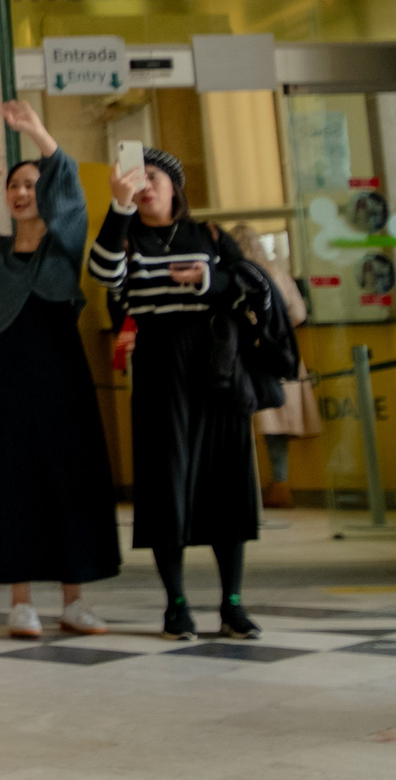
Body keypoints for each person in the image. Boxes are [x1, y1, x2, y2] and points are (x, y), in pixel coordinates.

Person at [0, 99, 120, 637]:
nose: (20, 193)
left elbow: (72, 195)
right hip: (12, 376)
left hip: (65, 374)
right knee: (17, 481)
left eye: (30, 185)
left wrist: (37, 131)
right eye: (13, 187)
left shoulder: (65, 243)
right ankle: (21, 602)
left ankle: (75, 599)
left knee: (71, 478)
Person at [87, 146, 264, 641]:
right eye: (135, 179)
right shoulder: (125, 235)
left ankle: (232, 603)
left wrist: (208, 278)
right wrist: (118, 209)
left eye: (153, 178)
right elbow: (103, 274)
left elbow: (249, 283)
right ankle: (176, 604)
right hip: (159, 363)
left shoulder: (207, 234)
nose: (145, 186)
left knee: (226, 482)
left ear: (173, 186)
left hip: (216, 365)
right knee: (167, 484)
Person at [235, 237, 311, 508]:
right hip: (280, 354)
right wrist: (278, 329)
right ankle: (280, 482)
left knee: (249, 425)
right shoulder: (279, 274)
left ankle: (249, 488)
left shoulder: (238, 275)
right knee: (277, 428)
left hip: (250, 357)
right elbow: (299, 313)